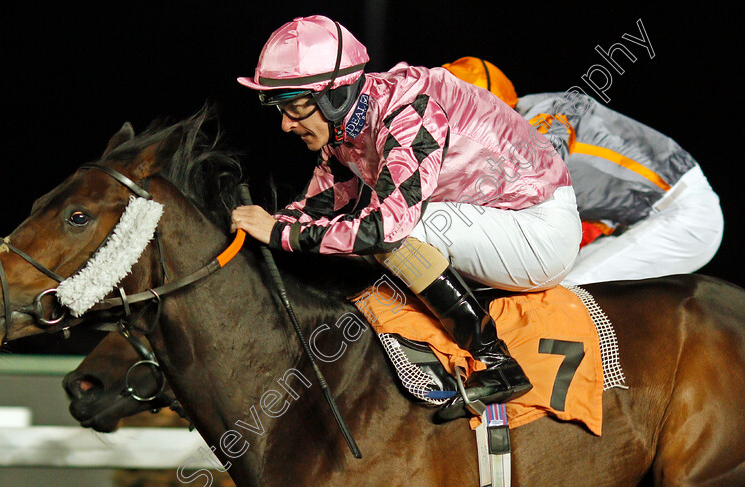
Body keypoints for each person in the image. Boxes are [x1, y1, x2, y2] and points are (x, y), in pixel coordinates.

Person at [232, 15, 582, 411]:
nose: (284, 125)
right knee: (363, 234)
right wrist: (255, 229)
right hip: (493, 220)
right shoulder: (346, 130)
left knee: (399, 233)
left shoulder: (411, 111)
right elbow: (314, 210)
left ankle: (499, 364)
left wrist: (281, 234)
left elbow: (385, 229)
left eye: (295, 107)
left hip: (540, 227)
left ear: (334, 94)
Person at [443, 56, 724, 285]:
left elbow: (528, 168)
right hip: (639, 221)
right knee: (547, 289)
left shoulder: (545, 112)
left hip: (684, 215)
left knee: (568, 293)